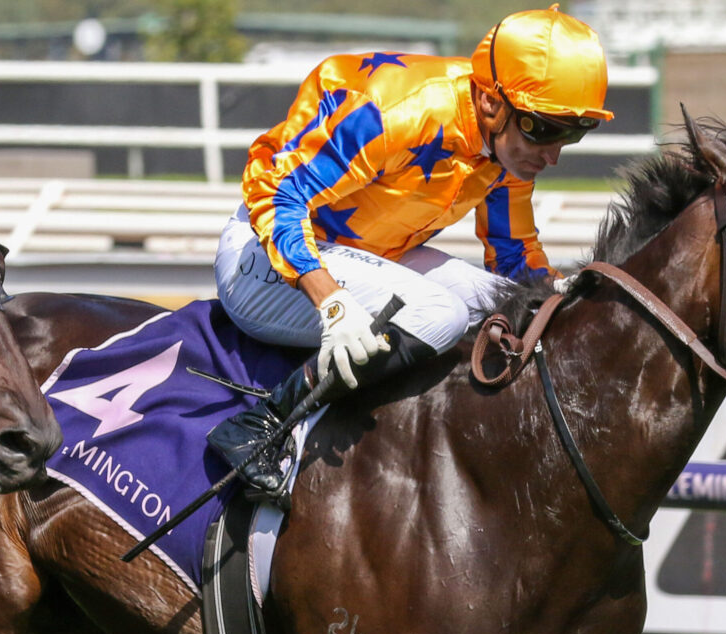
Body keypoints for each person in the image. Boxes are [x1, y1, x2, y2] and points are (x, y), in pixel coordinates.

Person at [208, 4, 613, 493]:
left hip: (365, 252)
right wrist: (332, 302)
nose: (553, 154)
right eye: (543, 128)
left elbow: (513, 257)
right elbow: (276, 194)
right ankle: (261, 425)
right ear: (491, 103)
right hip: (260, 255)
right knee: (440, 313)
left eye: (571, 133)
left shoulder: (506, 146)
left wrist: (563, 297)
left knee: (505, 303)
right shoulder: (395, 113)